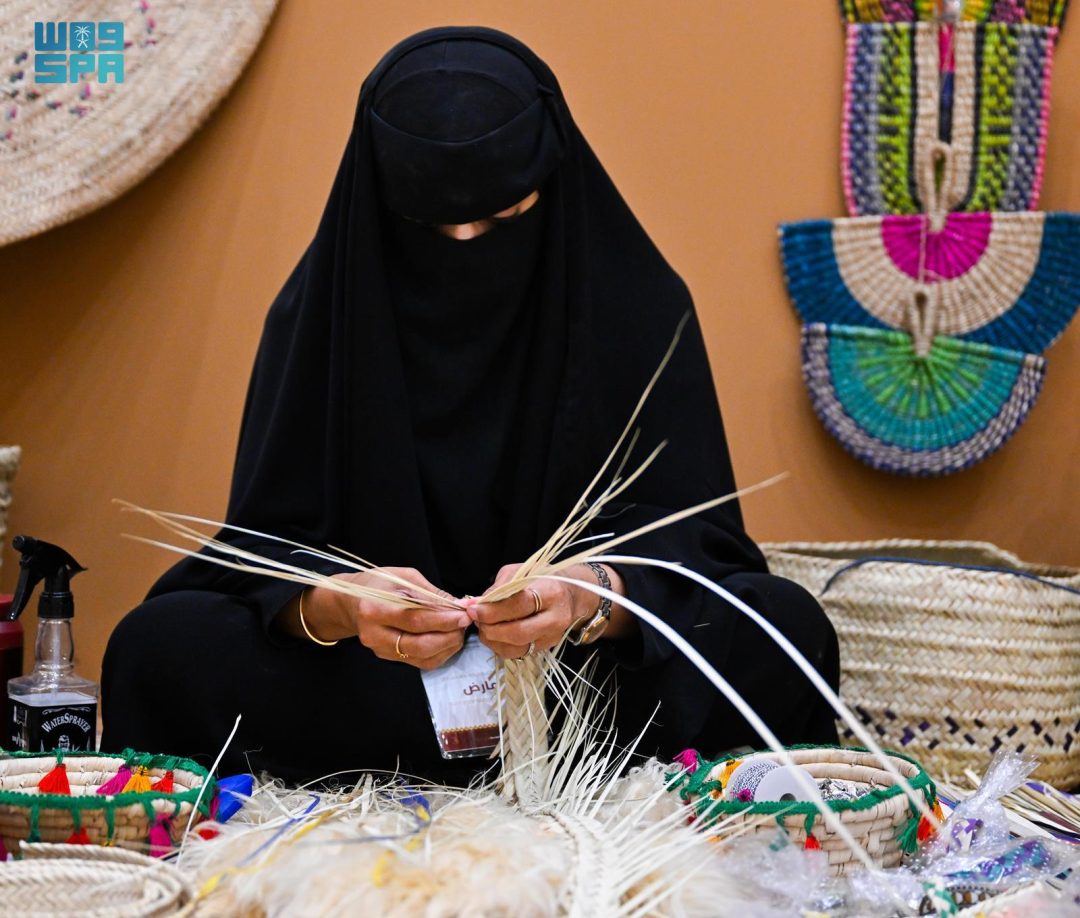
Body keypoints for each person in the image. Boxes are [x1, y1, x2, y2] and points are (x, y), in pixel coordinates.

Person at [101, 27, 839, 786]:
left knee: (785, 630)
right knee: (160, 646)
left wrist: (593, 599)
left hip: (579, 682)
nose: (462, 245)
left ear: (552, 184)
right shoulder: (323, 317)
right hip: (373, 685)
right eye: (425, 229)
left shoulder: (636, 307)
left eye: (502, 220)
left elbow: (696, 548)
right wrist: (337, 606)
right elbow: (261, 551)